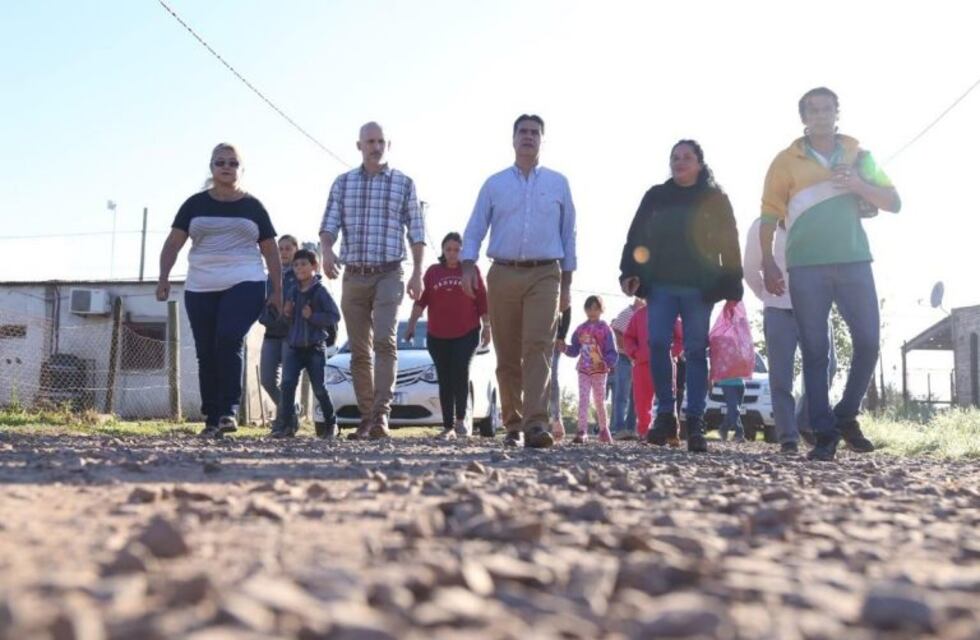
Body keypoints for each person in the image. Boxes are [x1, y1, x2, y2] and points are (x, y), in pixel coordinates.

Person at [760, 87, 900, 461]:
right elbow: (770, 212)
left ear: (837, 112)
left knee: (869, 341)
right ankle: (824, 434)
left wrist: (858, 184)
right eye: (812, 110)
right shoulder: (785, 161)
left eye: (826, 108)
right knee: (816, 351)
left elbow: (894, 202)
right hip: (805, 265)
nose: (820, 115)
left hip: (855, 260)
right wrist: (768, 261)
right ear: (803, 118)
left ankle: (846, 414)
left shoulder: (859, 154)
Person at [461, 114, 577, 449]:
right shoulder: (494, 184)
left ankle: (536, 424)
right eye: (522, 132)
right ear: (513, 139)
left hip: (546, 274)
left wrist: (567, 285)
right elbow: (475, 228)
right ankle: (512, 424)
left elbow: (568, 235)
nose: (528, 137)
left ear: (542, 140)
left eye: (534, 133)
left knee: (538, 347)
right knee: (508, 352)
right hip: (503, 273)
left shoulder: (558, 183)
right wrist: (468, 265)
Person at [619, 139, 743, 453]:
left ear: (700, 164)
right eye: (675, 157)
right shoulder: (656, 196)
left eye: (687, 157)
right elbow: (637, 234)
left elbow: (730, 241)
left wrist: (732, 285)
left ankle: (696, 421)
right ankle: (665, 415)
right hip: (660, 283)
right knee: (658, 342)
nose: (680, 161)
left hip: (700, 287)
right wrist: (630, 271)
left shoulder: (715, 198)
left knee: (695, 349)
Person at [156, 143, 282, 439]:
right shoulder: (194, 205)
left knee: (228, 337)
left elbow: (271, 252)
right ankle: (212, 417)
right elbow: (173, 243)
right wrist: (163, 277)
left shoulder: (253, 207)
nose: (227, 167)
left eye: (233, 163)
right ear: (211, 167)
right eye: (220, 162)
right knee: (206, 350)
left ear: (241, 169)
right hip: (201, 284)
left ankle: (228, 409)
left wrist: (277, 290)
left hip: (246, 280)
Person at [319, 122, 426, 440]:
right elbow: (328, 224)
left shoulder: (404, 183)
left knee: (384, 341)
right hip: (354, 275)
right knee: (359, 350)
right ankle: (367, 418)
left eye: (380, 141)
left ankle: (381, 416)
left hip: (390, 273)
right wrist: (326, 250)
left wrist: (419, 272)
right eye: (370, 141)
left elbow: (417, 233)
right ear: (359, 146)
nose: (375, 146)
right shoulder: (343, 183)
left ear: (388, 144)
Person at [405, 232, 491, 440]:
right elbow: (421, 301)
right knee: (444, 379)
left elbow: (482, 302)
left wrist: (487, 326)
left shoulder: (471, 271)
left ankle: (461, 420)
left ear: (462, 251)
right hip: (437, 335)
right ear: (443, 251)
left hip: (467, 332)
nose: (452, 254)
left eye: (456, 250)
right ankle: (447, 425)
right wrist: (411, 324)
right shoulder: (433, 272)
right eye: (448, 249)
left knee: (460, 372)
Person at [273, 249, 341, 438]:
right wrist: (286, 313)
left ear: (314, 266)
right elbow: (288, 321)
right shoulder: (293, 291)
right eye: (296, 265)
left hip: (314, 347)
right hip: (294, 346)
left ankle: (331, 424)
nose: (299, 268)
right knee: (287, 386)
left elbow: (334, 316)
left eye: (303, 264)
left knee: (319, 388)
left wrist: (313, 317)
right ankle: (286, 426)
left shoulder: (320, 291)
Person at [561, 296, 617, 443]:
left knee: (599, 400)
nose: (592, 311)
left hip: (599, 370)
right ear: (585, 310)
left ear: (601, 310)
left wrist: (606, 363)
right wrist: (564, 348)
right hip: (583, 369)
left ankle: (604, 429)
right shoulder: (580, 329)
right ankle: (582, 431)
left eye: (596, 308)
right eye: (589, 308)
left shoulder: (606, 329)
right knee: (583, 399)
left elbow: (612, 351)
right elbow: (574, 349)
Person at [258, 234, 299, 429]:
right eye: (280, 249)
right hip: (272, 332)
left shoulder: (301, 275)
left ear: (295, 251)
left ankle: (284, 420)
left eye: (287, 249)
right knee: (266, 380)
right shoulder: (270, 276)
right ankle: (291, 410)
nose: (283, 252)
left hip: (291, 334)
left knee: (287, 381)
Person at [624, 307, 683, 441]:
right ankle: (644, 431)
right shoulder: (638, 315)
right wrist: (634, 353)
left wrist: (673, 353)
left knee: (668, 398)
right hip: (642, 364)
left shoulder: (671, 313)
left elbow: (680, 337)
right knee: (641, 400)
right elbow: (628, 337)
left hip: (665, 363)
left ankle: (671, 433)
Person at [609, 298, 643, 439]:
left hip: (639, 360)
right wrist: (628, 351)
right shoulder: (627, 312)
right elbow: (616, 332)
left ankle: (631, 428)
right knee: (621, 395)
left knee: (636, 396)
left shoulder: (646, 314)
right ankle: (619, 428)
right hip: (624, 358)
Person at [548, 307, 572, 441]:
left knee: (552, 378)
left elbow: (567, 309)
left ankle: (556, 418)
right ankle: (532, 420)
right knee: (533, 378)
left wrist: (562, 336)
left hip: (554, 339)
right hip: (532, 335)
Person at [717, 377, 746, 442]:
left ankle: (723, 429)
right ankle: (739, 433)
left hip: (740, 382)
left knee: (734, 410)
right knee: (734, 409)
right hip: (727, 382)